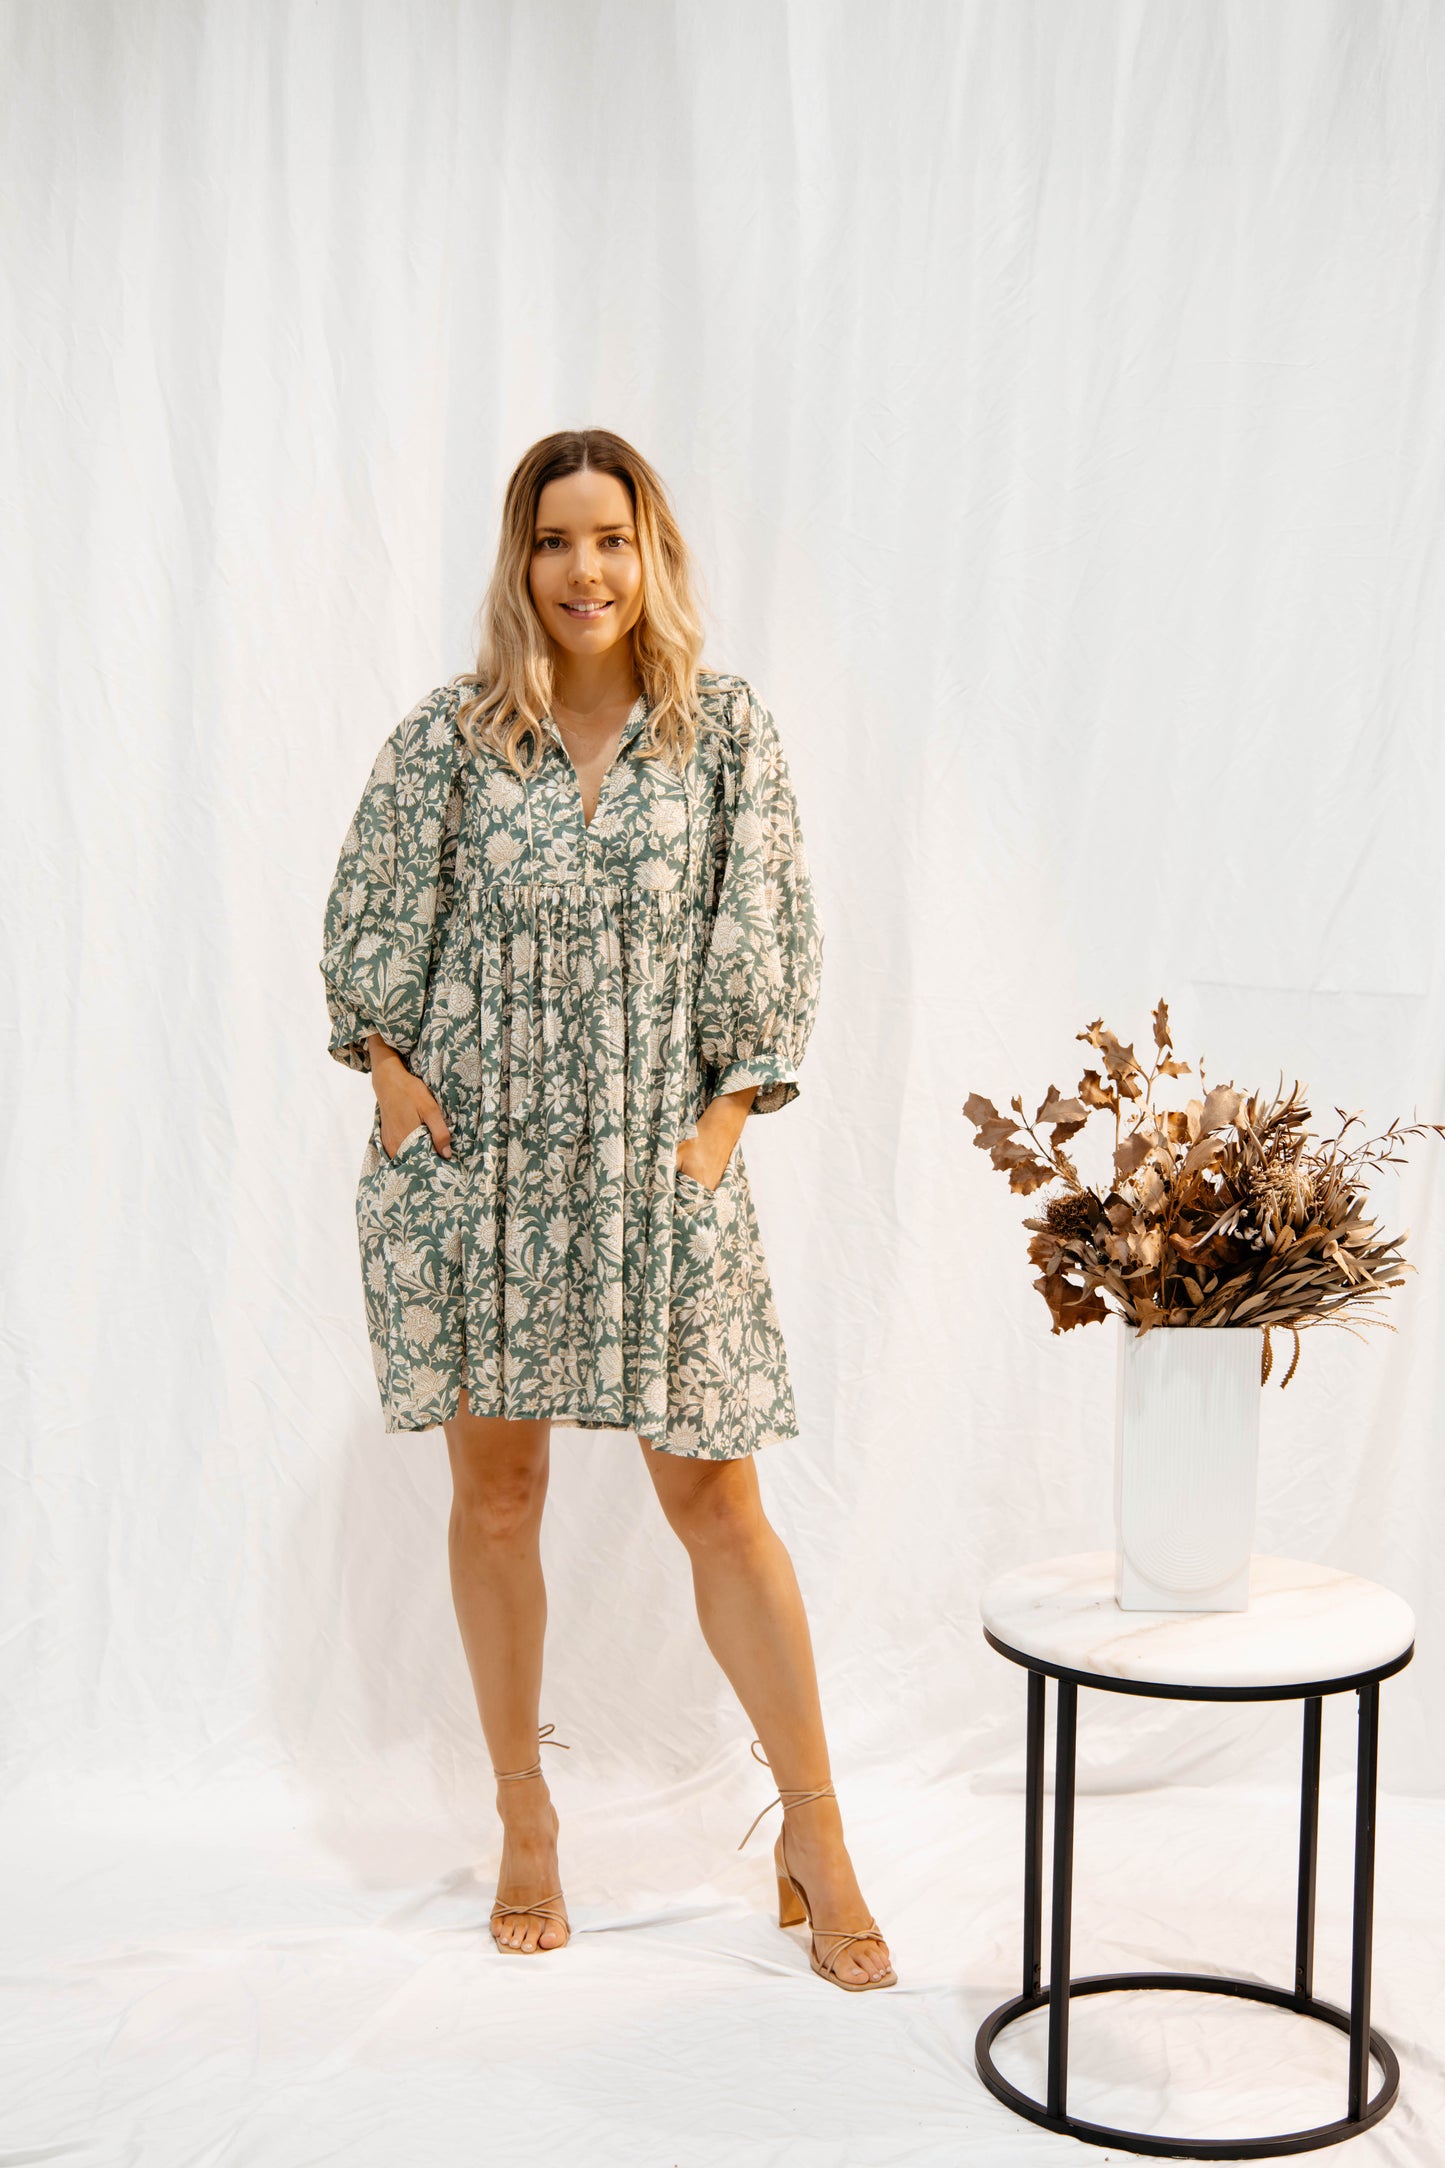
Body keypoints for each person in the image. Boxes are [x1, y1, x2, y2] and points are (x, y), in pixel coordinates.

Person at [319, 428, 894, 1990]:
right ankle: (523, 1818)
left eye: (614, 540)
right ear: (519, 562)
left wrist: (715, 1134)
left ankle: (816, 1830)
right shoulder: (448, 740)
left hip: (661, 1166)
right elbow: (373, 921)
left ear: (655, 559)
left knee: (718, 1506)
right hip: (482, 1169)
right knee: (497, 1501)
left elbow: (767, 929)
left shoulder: (722, 738)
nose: (585, 571)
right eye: (556, 541)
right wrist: (393, 1081)